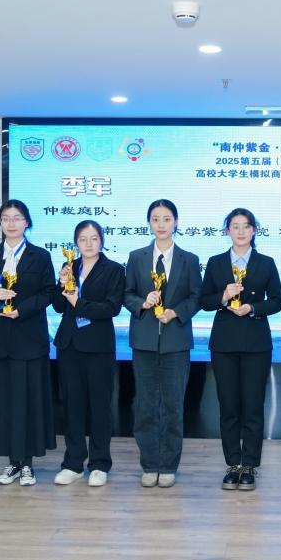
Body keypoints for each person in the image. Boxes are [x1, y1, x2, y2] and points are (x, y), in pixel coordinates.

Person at [199, 208, 281, 492]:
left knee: (253, 406)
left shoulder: (266, 263)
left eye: (246, 226)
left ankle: (250, 465)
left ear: (254, 230)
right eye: (235, 226)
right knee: (229, 406)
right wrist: (223, 296)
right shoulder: (215, 263)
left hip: (256, 342)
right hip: (224, 343)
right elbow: (204, 301)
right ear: (227, 231)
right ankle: (233, 464)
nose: (241, 231)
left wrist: (253, 308)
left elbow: (278, 301)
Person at [0, 199, 57, 487]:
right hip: (1, 341)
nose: (11, 223)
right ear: (0, 223)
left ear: (27, 222)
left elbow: (49, 293)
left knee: (29, 402)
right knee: (5, 402)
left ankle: (28, 464)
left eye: (17, 218)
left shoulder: (40, 256)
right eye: (6, 218)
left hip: (30, 339)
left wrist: (21, 309)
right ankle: (12, 462)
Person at [123, 199, 202, 489]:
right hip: (144, 342)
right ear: (149, 223)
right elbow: (126, 294)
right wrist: (143, 303)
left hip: (176, 342)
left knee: (172, 406)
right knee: (145, 405)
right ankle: (149, 464)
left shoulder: (189, 259)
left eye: (167, 219)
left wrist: (175, 312)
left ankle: (168, 465)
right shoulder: (136, 257)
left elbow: (196, 297)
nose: (161, 224)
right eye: (155, 219)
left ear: (176, 222)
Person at [52, 220, 125, 487]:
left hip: (98, 347)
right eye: (83, 239)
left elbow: (111, 308)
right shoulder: (70, 266)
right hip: (69, 345)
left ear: (102, 240)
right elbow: (58, 306)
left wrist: (78, 302)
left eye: (94, 238)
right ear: (76, 242)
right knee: (72, 405)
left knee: (99, 406)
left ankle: (99, 463)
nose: (89, 244)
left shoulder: (114, 269)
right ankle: (73, 463)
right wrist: (61, 283)